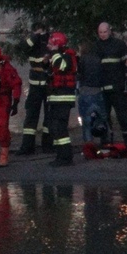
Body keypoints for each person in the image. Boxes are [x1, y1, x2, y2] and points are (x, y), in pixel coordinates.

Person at [94, 22, 127, 154]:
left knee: (123, 116)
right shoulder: (95, 47)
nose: (102, 35)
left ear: (110, 31)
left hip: (118, 88)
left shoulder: (119, 45)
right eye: (100, 32)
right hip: (102, 89)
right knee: (104, 118)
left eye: (104, 32)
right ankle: (106, 144)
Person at [15, 22, 52, 155]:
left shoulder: (50, 40)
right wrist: (35, 37)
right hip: (35, 83)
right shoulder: (32, 41)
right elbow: (23, 48)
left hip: (48, 83)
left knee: (50, 115)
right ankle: (27, 146)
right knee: (31, 115)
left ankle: (48, 145)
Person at [45, 32, 78, 167]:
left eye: (51, 43)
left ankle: (66, 157)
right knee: (54, 128)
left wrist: (54, 53)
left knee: (60, 128)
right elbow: (52, 72)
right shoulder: (58, 56)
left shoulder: (67, 55)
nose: (49, 46)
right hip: (56, 97)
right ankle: (60, 155)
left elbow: (62, 66)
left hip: (63, 98)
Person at [77, 41, 110, 146]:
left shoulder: (82, 59)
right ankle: (106, 142)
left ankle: (89, 144)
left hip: (85, 91)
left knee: (86, 121)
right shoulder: (98, 59)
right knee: (102, 119)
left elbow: (79, 75)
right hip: (98, 91)